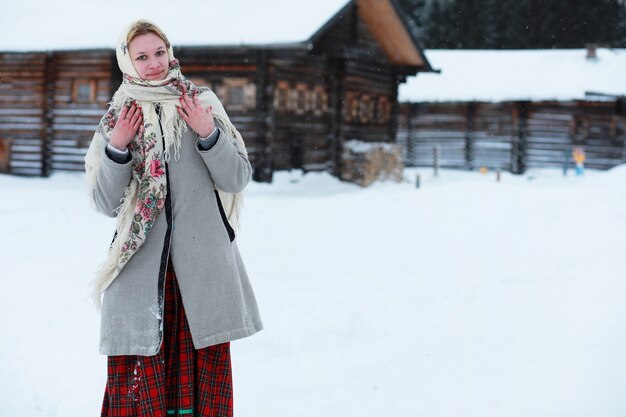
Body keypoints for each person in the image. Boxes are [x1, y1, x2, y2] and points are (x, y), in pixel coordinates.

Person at [84, 20, 263, 417]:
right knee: (141, 380)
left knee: (202, 378)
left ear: (170, 51)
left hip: (202, 266)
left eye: (159, 53)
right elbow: (103, 201)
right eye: (142, 56)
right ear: (126, 60)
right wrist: (117, 147)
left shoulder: (200, 104)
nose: (153, 64)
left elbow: (237, 178)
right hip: (142, 270)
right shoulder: (119, 115)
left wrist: (207, 133)